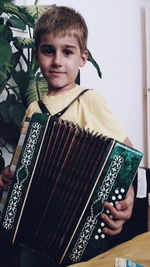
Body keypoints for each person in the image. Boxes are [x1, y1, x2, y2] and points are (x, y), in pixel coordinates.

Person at [0, 5, 135, 267]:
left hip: (77, 229)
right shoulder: (33, 109)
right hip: (33, 227)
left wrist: (127, 197)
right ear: (37, 55)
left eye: (68, 52)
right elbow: (22, 164)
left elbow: (125, 154)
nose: (57, 60)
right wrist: (9, 174)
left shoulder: (89, 100)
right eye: (48, 51)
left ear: (82, 58)